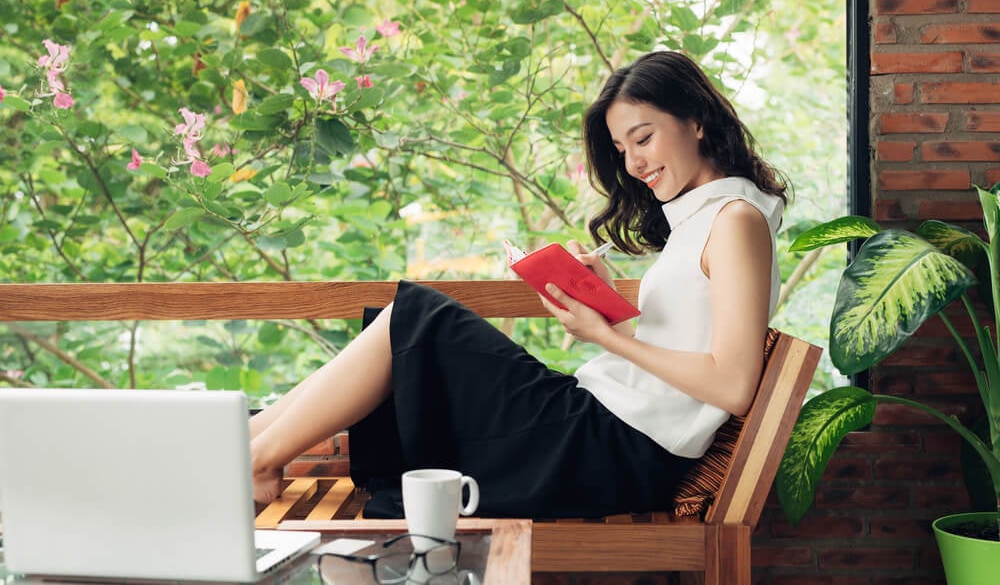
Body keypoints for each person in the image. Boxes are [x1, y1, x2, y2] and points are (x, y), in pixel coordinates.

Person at [249, 50, 789, 520]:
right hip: (602, 425)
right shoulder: (705, 219)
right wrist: (604, 298)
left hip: (613, 446)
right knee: (408, 321)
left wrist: (603, 336)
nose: (634, 162)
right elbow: (688, 340)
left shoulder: (735, 220)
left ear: (696, 121)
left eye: (643, 138)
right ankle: (250, 447)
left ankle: (257, 457)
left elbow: (732, 385)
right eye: (622, 149)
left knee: (417, 317)